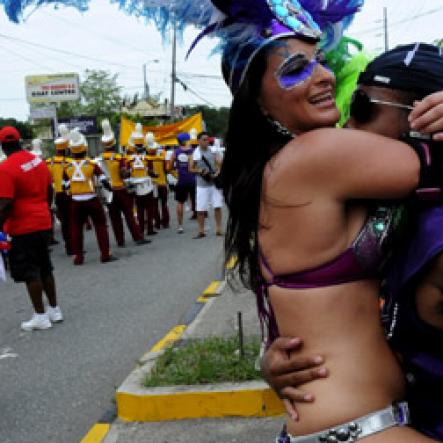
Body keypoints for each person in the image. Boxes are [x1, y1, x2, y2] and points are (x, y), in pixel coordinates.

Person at [201, 1, 440, 441]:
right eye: (295, 69)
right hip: (357, 428)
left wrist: (267, 357)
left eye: (321, 63)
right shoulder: (314, 156)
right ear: (257, 100)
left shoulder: (296, 165)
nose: (325, 76)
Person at [260, 46, 443, 441]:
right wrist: (273, 353)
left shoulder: (429, 218)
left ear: (425, 117)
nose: (347, 123)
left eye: (361, 106)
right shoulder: (337, 181)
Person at [0, 126, 63, 331]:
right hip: (43, 221)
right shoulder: (37, 160)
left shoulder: (6, 168)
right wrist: (45, 209)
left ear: (2, 146)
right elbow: (50, 189)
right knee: (45, 267)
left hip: (23, 226)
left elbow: (6, 203)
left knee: (30, 272)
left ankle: (40, 316)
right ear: (19, 141)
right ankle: (54, 310)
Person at [64, 128, 116, 265]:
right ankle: (105, 254)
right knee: (100, 226)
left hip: (75, 200)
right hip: (91, 199)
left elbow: (65, 185)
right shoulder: (92, 164)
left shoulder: (67, 166)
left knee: (76, 228)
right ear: (85, 148)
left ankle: (78, 257)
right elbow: (104, 180)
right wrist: (110, 190)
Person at [97, 119, 148, 247]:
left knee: (115, 218)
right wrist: (129, 173)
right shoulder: (120, 157)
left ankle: (120, 241)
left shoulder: (99, 159)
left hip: (109, 192)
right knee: (129, 215)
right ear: (114, 143)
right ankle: (137, 237)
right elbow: (123, 174)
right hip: (121, 190)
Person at [189, 131, 224, 238]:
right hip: (201, 185)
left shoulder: (213, 151)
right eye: (204, 139)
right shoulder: (195, 154)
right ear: (198, 141)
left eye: (207, 139)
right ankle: (201, 231)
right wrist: (199, 171)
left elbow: (220, 164)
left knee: (217, 206)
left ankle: (218, 229)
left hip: (214, 184)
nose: (206, 141)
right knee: (200, 209)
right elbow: (190, 168)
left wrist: (217, 172)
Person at [126, 123, 157, 237]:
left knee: (140, 209)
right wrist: (155, 175)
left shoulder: (128, 159)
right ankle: (149, 229)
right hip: (147, 185)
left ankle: (141, 230)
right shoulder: (147, 158)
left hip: (136, 186)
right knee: (149, 208)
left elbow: (127, 172)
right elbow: (151, 171)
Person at [46, 124, 72, 255]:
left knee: (64, 222)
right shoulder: (68, 161)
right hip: (68, 194)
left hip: (55, 195)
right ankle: (72, 246)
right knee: (72, 221)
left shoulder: (48, 162)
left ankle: (69, 246)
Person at [167, 132, 196, 234]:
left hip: (181, 180)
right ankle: (201, 223)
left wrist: (175, 173)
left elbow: (169, 167)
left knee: (180, 202)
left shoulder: (176, 152)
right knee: (195, 199)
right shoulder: (193, 151)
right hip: (193, 179)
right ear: (187, 140)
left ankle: (180, 226)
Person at [145, 132, 170, 229]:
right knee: (164, 204)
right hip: (163, 183)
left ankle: (158, 223)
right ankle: (166, 222)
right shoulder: (161, 158)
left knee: (154, 205)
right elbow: (166, 170)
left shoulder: (146, 160)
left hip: (153, 185)